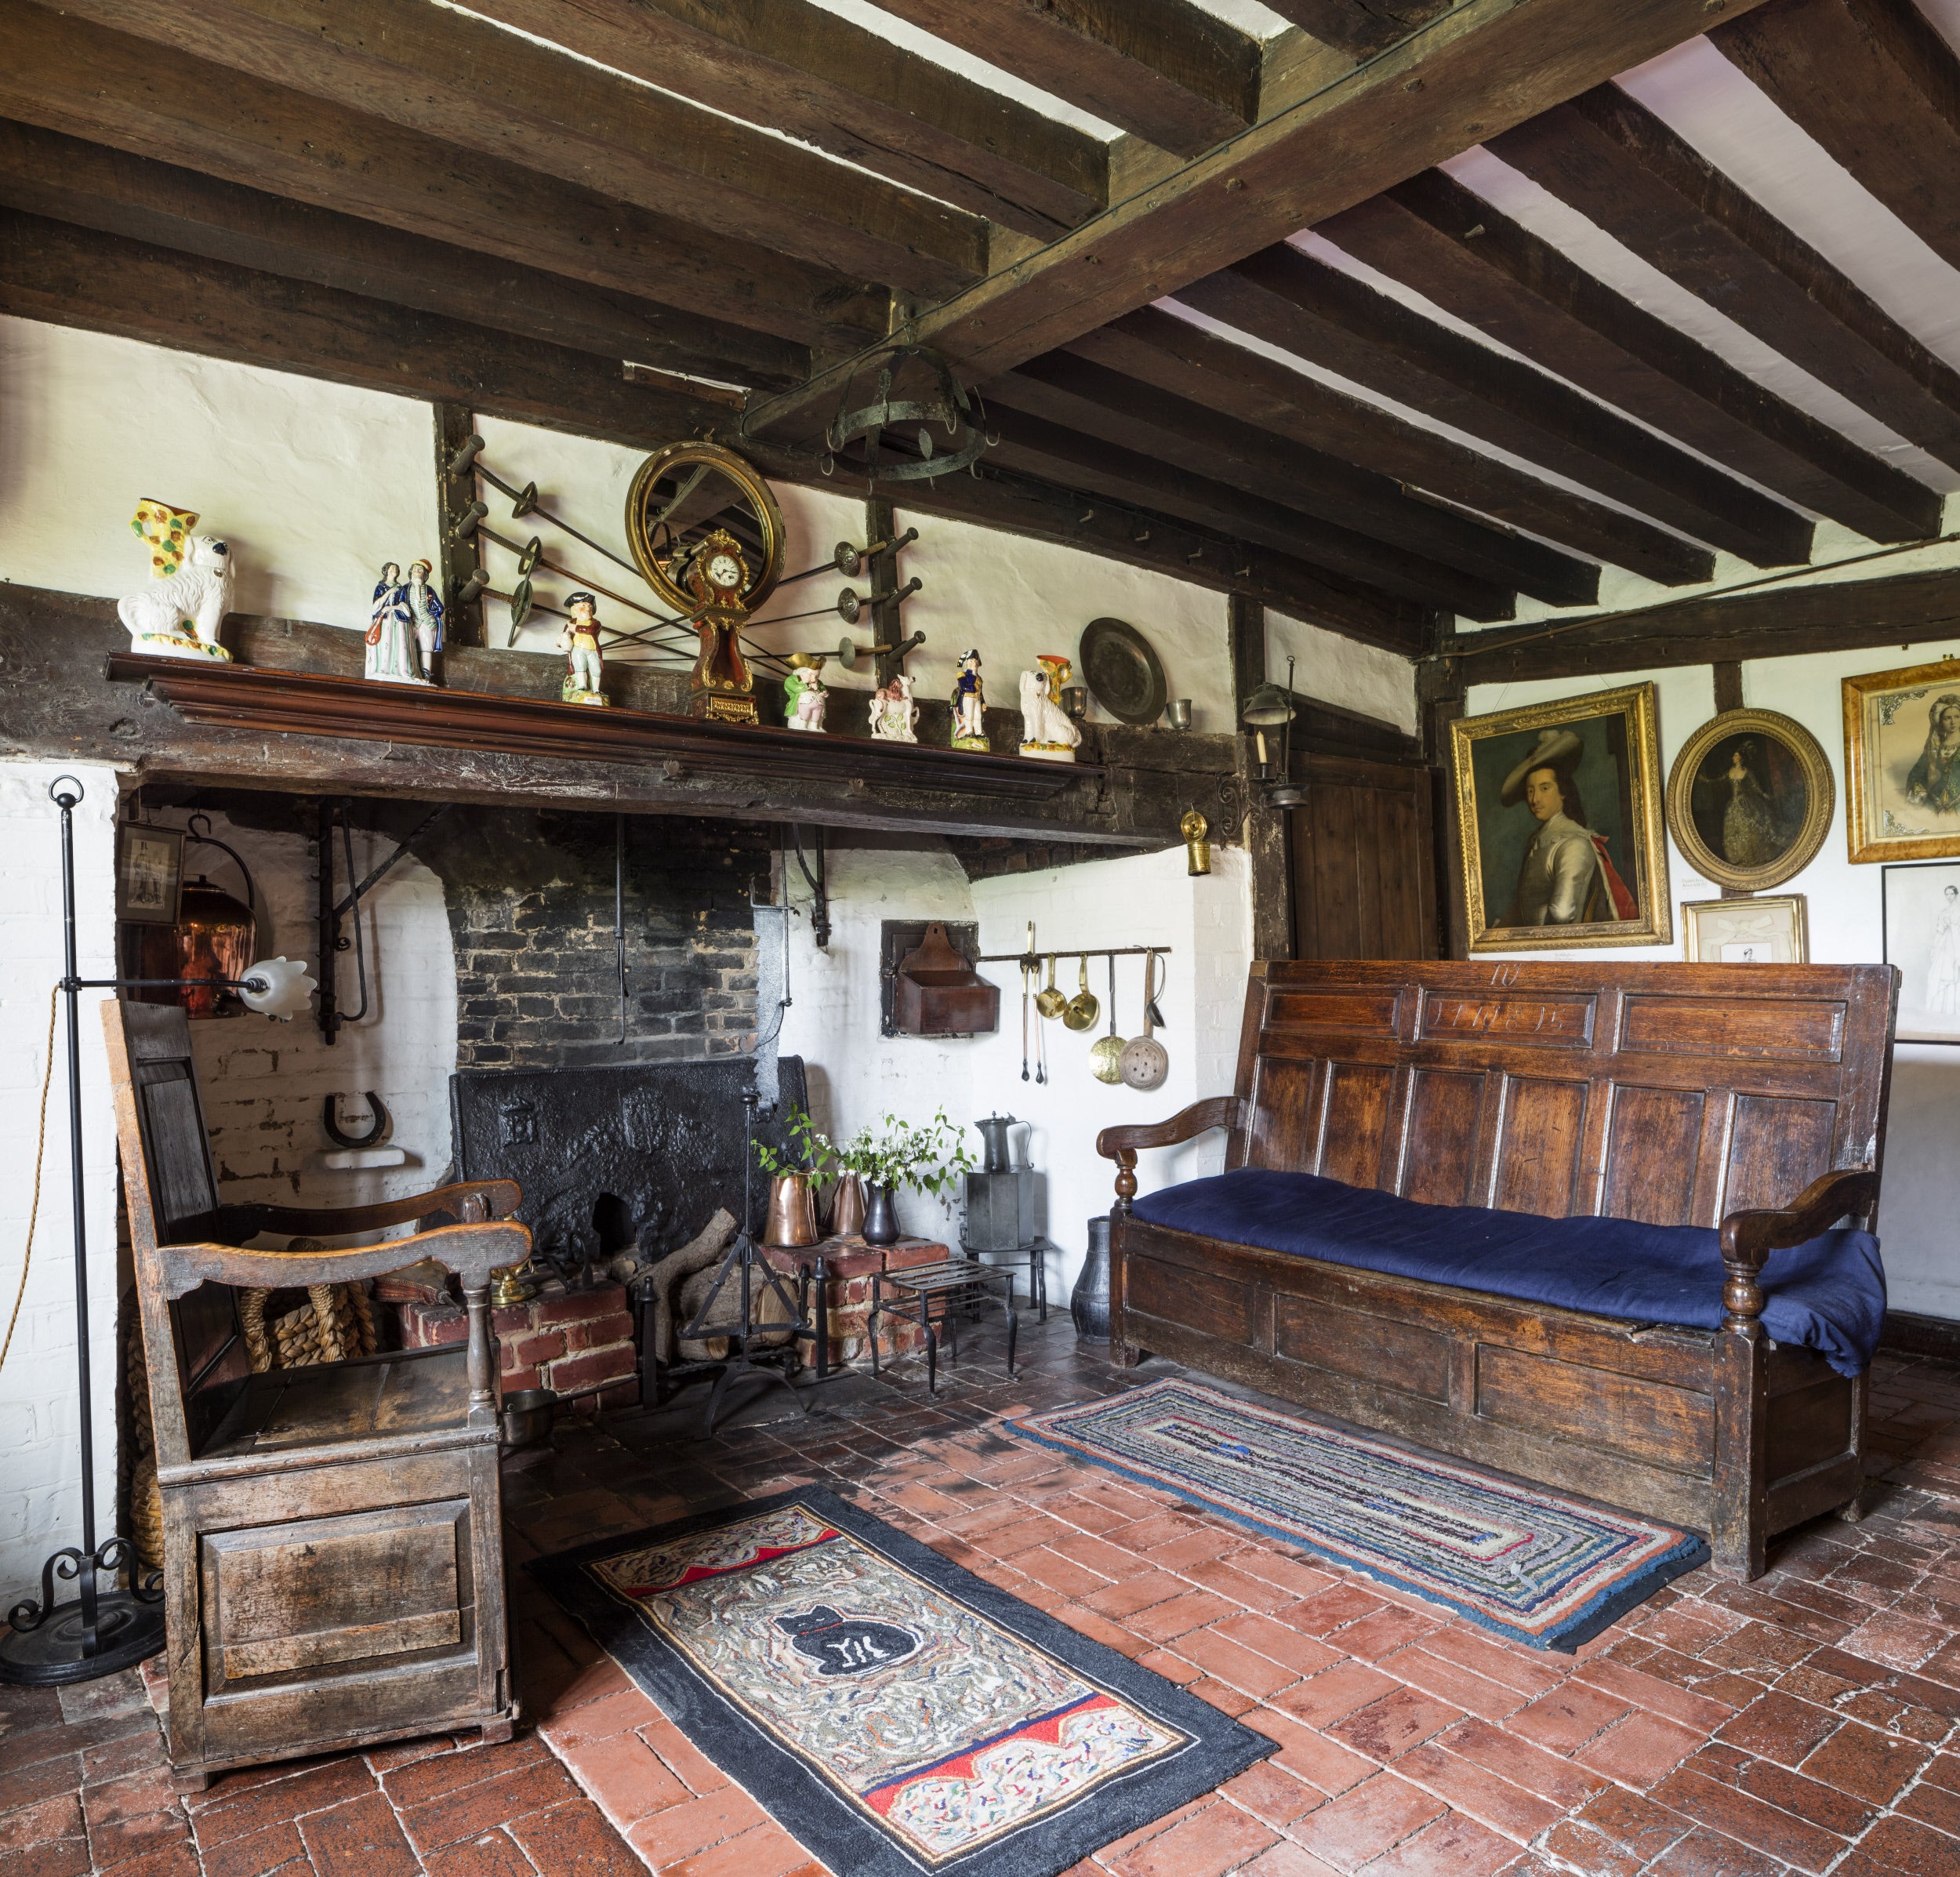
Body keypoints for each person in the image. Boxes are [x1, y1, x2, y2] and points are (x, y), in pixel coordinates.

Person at [1497, 727, 1639, 927]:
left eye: (1545, 788)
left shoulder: (1574, 843)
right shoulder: (1536, 842)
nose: (1535, 799)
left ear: (1563, 791)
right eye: (1530, 790)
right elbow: (1521, 907)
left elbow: (1563, 913)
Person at [1907, 693, 1960, 814]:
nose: (1953, 722)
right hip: (1934, 805)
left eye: (1957, 717)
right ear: (1940, 721)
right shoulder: (1933, 748)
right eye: (1947, 718)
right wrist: (1920, 788)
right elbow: (1917, 775)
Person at [557, 591, 607, 704]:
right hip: (578, 649)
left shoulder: (595, 623)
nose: (587, 608)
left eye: (589, 606)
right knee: (580, 667)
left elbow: (590, 630)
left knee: (597, 670)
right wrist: (560, 641)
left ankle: (596, 690)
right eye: (583, 605)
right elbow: (564, 636)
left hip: (592, 650)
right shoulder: (571, 623)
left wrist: (573, 627)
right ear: (575, 608)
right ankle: (582, 687)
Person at [1931, 884, 1960, 1015]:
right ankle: (1946, 1009)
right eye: (1947, 894)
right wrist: (1934, 945)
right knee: (1945, 971)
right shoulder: (1944, 912)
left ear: (1956, 894)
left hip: (1957, 940)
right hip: (1947, 943)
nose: (1949, 897)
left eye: (1951, 894)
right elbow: (1940, 930)